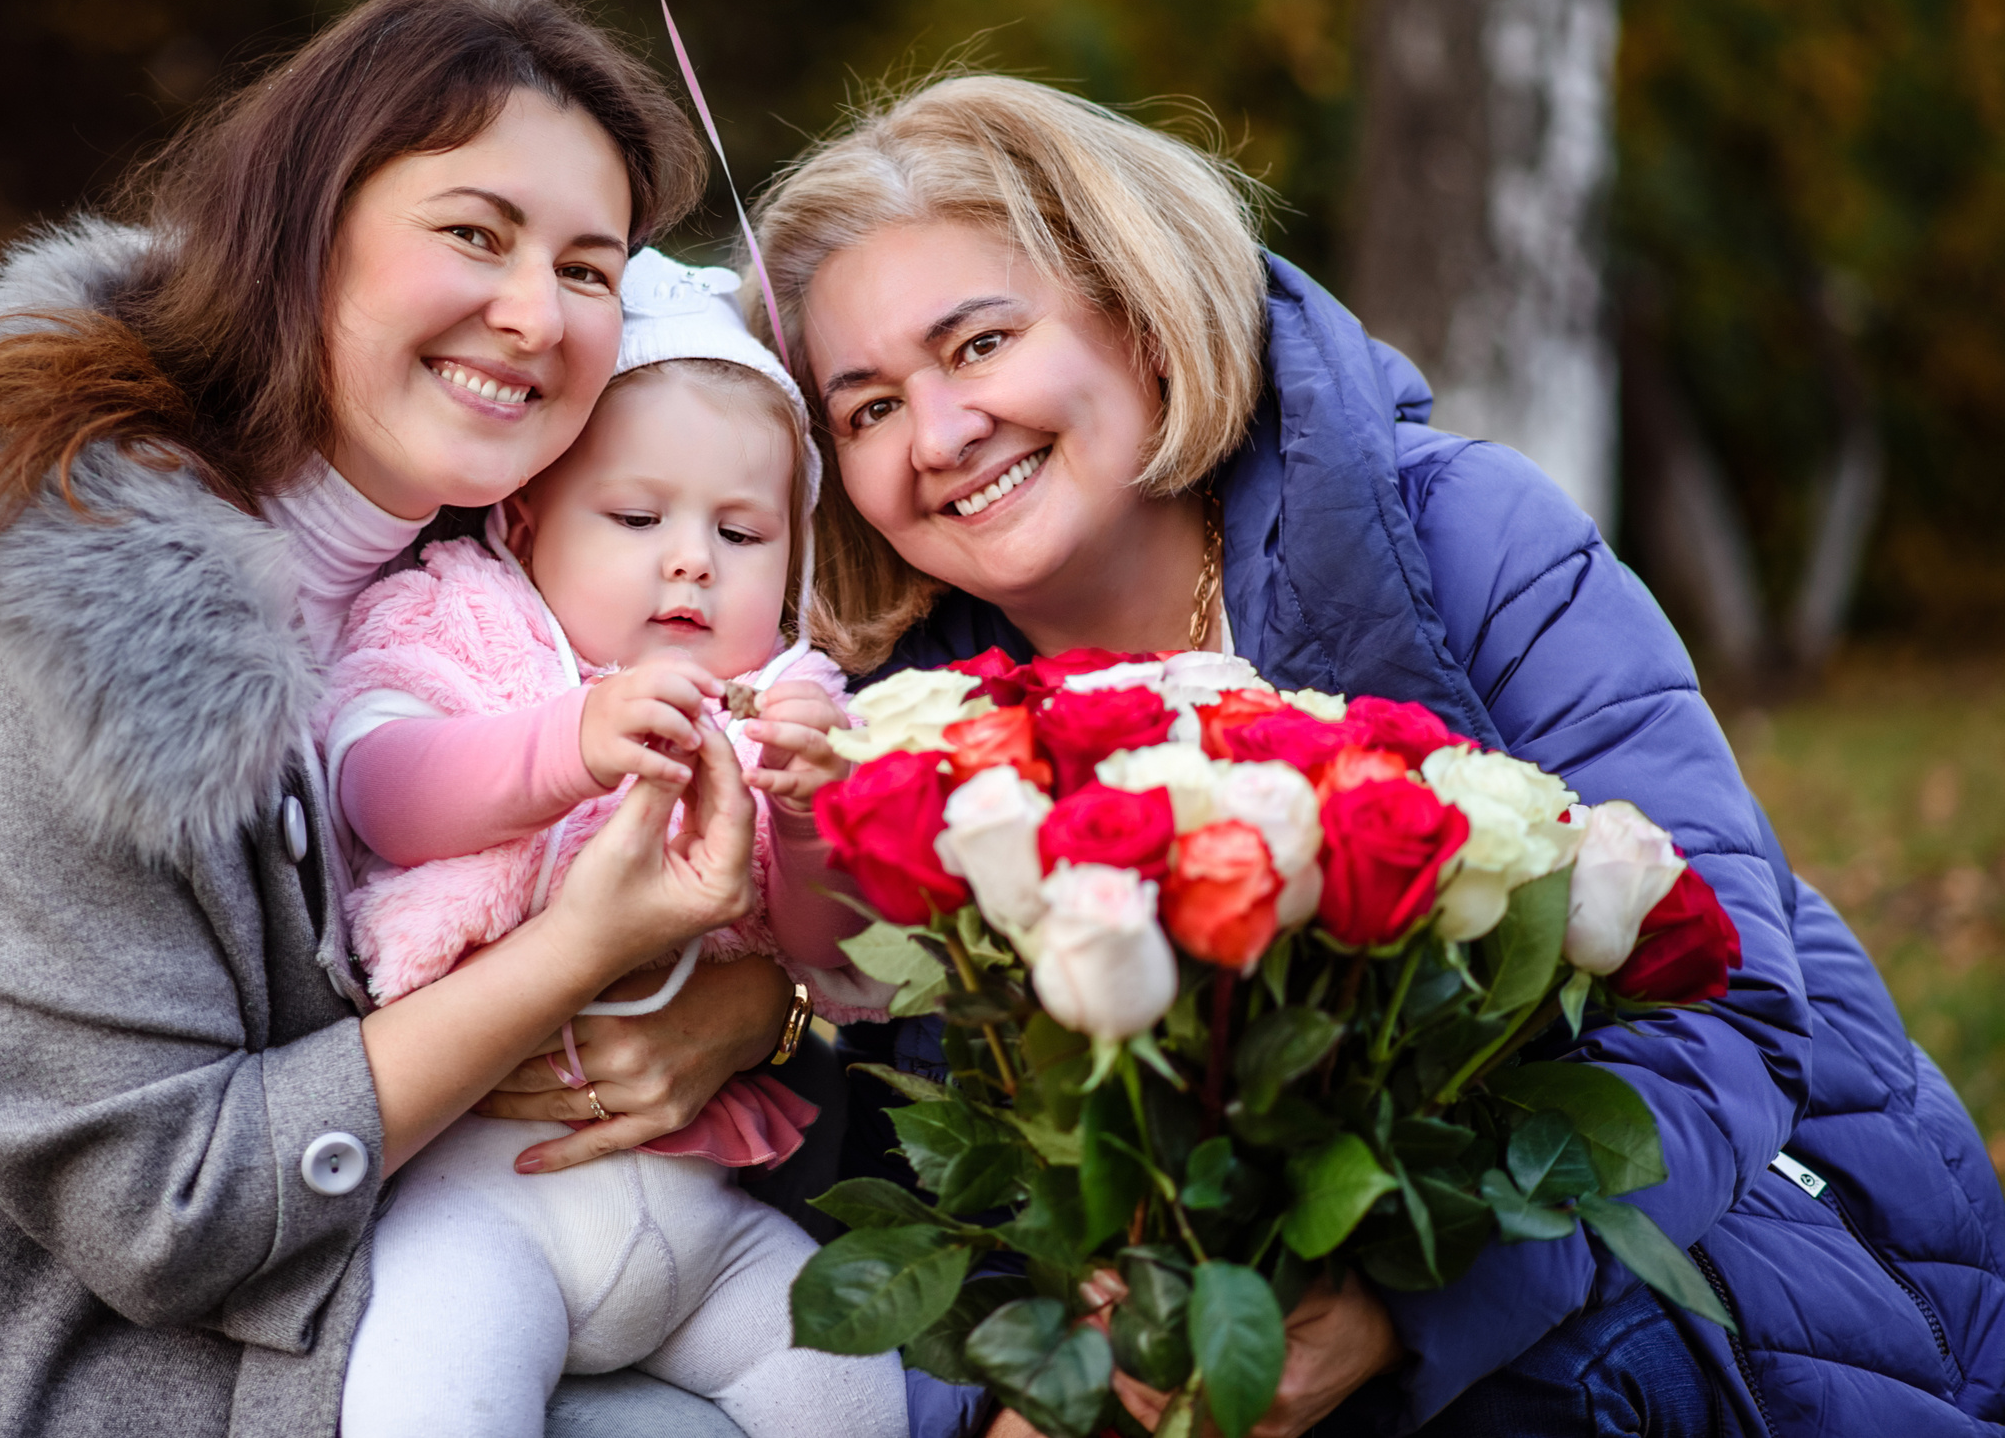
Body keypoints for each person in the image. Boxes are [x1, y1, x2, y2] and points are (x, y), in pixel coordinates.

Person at [0, 0, 812, 1438]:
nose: (534, 312)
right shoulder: (73, 601)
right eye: (473, 234)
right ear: (303, 235)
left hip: (311, 1304)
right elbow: (169, 1208)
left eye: (589, 267)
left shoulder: (494, 572)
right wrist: (583, 951)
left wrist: (751, 996)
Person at [746, 73, 2005, 1437]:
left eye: (981, 344)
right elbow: (927, 1158)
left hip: (1709, 1276)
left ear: (1139, 313)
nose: (938, 437)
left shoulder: (1462, 534)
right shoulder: (890, 722)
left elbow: (1732, 1009)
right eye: (867, 409)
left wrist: (1410, 1316)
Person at [322, 249, 903, 1438]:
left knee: (852, 1384)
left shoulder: (784, 703)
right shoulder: (467, 631)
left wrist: (804, 814)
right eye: (637, 517)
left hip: (708, 1227)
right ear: (524, 520)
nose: (690, 557)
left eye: (742, 534)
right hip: (487, 1207)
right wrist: (565, 746)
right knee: (429, 1395)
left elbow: (841, 964)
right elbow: (378, 786)